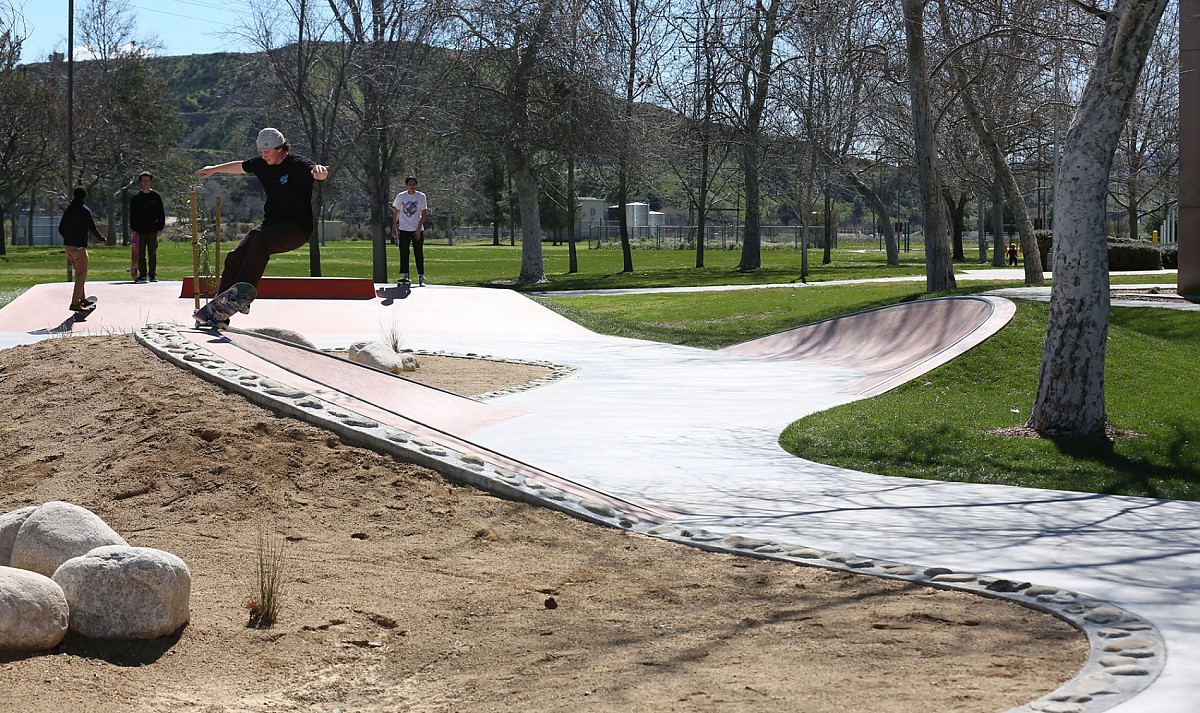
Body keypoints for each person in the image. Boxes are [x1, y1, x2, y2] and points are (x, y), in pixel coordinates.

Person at [195, 127, 329, 295]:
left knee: (260, 241)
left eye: (267, 152)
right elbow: (240, 166)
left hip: (296, 229)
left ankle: (242, 295)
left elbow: (316, 172)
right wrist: (214, 168)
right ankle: (220, 304)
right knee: (235, 256)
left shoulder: (296, 164)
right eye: (261, 152)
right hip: (270, 226)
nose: (264, 156)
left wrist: (320, 173)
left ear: (280, 148)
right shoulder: (261, 164)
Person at [58, 186, 108, 312]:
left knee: (79, 273)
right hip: (79, 247)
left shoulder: (68, 210)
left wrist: (68, 238)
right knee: (81, 275)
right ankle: (75, 304)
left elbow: (61, 228)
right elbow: (92, 228)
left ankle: (82, 298)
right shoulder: (85, 211)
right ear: (85, 197)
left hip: (68, 247)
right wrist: (102, 239)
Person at [129, 171, 166, 283]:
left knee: (152, 253)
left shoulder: (156, 197)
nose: (146, 183)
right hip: (140, 231)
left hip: (152, 230)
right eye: (143, 181)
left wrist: (160, 228)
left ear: (150, 182)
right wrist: (134, 230)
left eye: (147, 180)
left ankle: (153, 275)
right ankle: (143, 275)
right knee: (140, 254)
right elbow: (133, 215)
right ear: (140, 182)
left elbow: (160, 213)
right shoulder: (136, 198)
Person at [391, 176, 428, 286]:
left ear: (416, 185)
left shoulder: (421, 196)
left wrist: (418, 229)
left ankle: (421, 275)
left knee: (418, 253)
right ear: (407, 185)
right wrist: (393, 227)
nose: (412, 186)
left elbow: (424, 214)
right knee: (404, 252)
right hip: (404, 229)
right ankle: (405, 274)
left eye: (413, 184)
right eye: (410, 184)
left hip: (417, 230)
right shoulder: (401, 196)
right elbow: (397, 212)